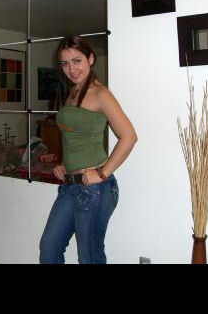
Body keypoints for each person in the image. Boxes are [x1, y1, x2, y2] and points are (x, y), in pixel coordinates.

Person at [39, 36, 137, 264]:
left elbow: (129, 137)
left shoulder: (101, 94)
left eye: (77, 61)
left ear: (90, 59)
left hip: (94, 189)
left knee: (89, 257)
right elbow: (73, 136)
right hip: (69, 186)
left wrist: (102, 173)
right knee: (49, 248)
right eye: (65, 63)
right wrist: (63, 164)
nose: (71, 69)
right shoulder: (73, 92)